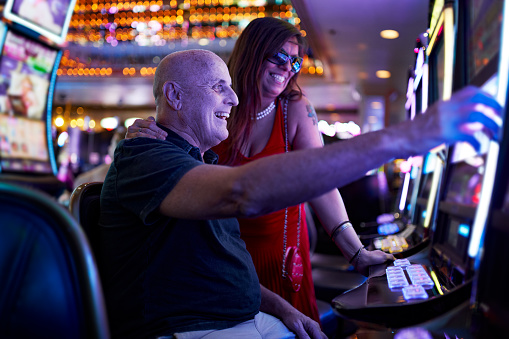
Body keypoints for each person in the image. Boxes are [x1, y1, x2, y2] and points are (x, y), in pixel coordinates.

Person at [101, 49, 501, 339]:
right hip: (192, 330)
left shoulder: (198, 160)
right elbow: (243, 192)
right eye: (220, 87)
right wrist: (407, 138)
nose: (235, 99)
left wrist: (282, 308)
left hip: (246, 319)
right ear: (174, 96)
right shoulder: (145, 154)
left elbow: (218, 265)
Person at [127, 17, 393, 323]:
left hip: (282, 255)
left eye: (295, 61)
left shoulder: (294, 107)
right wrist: (147, 128)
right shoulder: (215, 108)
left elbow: (320, 182)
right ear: (253, 52)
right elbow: (177, 122)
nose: (287, 68)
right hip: (225, 253)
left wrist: (357, 254)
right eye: (279, 56)